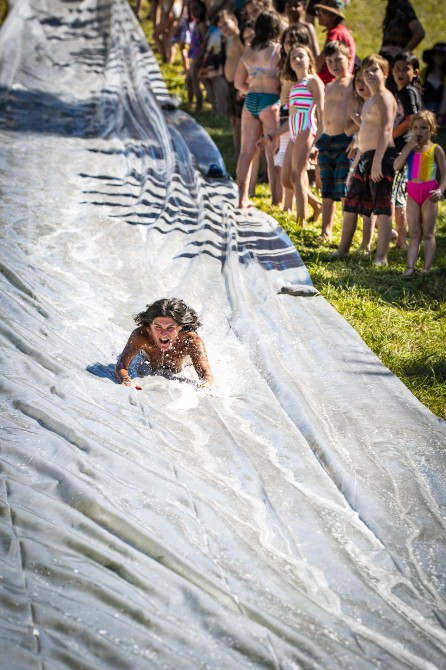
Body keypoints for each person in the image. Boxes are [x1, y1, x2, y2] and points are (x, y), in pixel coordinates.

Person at [333, 54, 398, 265]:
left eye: (375, 70)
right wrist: (359, 161)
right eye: (366, 71)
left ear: (385, 74)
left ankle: (382, 256)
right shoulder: (370, 100)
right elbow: (364, 133)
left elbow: (387, 129)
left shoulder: (385, 97)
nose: (369, 74)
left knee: (382, 206)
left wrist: (378, 160)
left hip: (382, 157)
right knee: (351, 203)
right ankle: (343, 249)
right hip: (366, 157)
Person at [257, 43, 324, 225]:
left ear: (310, 58)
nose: (297, 59)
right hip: (294, 131)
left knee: (297, 175)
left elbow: (321, 115)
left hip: (307, 130)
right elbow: (290, 120)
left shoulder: (314, 81)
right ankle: (316, 205)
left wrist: (317, 143)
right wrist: (272, 136)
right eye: (293, 57)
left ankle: (300, 221)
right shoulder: (295, 87)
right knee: (286, 179)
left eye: (301, 56)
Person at [234, 10, 282, 209]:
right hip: (270, 102)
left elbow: (238, 83)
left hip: (251, 101)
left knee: (246, 151)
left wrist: (253, 90)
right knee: (272, 151)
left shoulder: (248, 52)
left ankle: (242, 199)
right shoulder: (277, 51)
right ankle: (276, 199)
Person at [115, 298, 214, 386]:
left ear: (180, 327)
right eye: (158, 327)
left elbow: (206, 375)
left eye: (170, 328)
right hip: (148, 361)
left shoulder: (191, 340)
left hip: (185, 365)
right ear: (150, 326)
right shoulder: (141, 335)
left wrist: (204, 388)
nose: (163, 334)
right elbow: (121, 366)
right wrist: (127, 382)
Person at [394, 110, 446, 276]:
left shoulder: (436, 149)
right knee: (414, 232)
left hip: (429, 193)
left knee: (428, 233)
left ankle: (426, 268)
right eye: (415, 128)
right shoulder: (410, 149)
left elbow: (445, 174)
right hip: (413, 193)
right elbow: (396, 166)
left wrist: (440, 190)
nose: (418, 131)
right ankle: (410, 268)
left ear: (431, 130)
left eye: (423, 128)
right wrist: (408, 147)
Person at [315, 40, 354, 240]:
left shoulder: (354, 84)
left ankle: (347, 236)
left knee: (344, 188)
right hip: (326, 140)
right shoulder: (328, 86)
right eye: (329, 62)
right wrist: (316, 141)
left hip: (345, 141)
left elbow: (363, 115)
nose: (334, 65)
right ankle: (326, 231)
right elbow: (323, 117)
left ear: (348, 59)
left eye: (338, 60)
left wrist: (357, 139)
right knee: (326, 188)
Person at [391, 51, 423, 248]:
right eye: (397, 68)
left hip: (404, 149)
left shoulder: (407, 92)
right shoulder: (406, 91)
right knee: (402, 193)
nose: (400, 72)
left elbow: (411, 117)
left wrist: (391, 135)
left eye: (406, 68)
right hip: (408, 149)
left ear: (416, 72)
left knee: (398, 195)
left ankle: (402, 240)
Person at [218, 10, 246, 160]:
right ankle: (236, 152)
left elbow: (246, 61)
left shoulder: (239, 38)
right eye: (221, 27)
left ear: (234, 21)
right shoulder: (227, 39)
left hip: (238, 85)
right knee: (234, 121)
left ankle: (241, 152)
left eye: (225, 24)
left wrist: (242, 84)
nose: (224, 28)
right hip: (230, 84)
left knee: (240, 121)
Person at [313, 0, 355, 85]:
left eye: (323, 12)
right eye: (318, 11)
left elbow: (318, 66)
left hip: (332, 82)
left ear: (334, 16)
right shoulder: (342, 31)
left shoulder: (335, 33)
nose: (318, 15)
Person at [420, 42, 446, 123]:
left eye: (444, 55)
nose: (441, 58)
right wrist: (426, 113)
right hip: (424, 111)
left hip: (442, 115)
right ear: (432, 56)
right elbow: (418, 95)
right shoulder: (424, 73)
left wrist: (440, 115)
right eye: (438, 55)